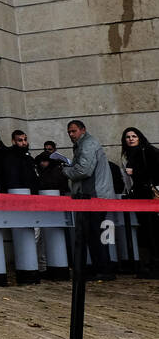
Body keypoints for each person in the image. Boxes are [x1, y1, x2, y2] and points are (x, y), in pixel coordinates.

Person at [61, 119, 116, 280]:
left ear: (83, 130)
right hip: (92, 195)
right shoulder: (85, 143)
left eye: (73, 131)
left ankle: (104, 269)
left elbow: (84, 170)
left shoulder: (88, 144)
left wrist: (65, 171)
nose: (71, 134)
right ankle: (101, 267)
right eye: (69, 132)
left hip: (94, 196)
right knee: (93, 233)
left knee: (95, 233)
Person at [122, 127, 159, 275]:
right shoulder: (129, 154)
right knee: (145, 229)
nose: (131, 139)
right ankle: (150, 263)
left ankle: (155, 264)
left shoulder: (147, 151)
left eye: (134, 136)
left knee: (152, 229)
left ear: (140, 137)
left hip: (149, 196)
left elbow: (155, 171)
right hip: (139, 196)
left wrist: (135, 172)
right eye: (128, 137)